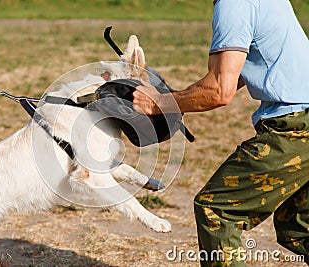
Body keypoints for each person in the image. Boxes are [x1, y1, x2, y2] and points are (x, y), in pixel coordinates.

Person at [132, 0, 309, 266]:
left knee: (217, 211)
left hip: (295, 129)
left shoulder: (234, 3)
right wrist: (179, 99)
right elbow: (240, 68)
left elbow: (219, 90)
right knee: (299, 225)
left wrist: (159, 103)